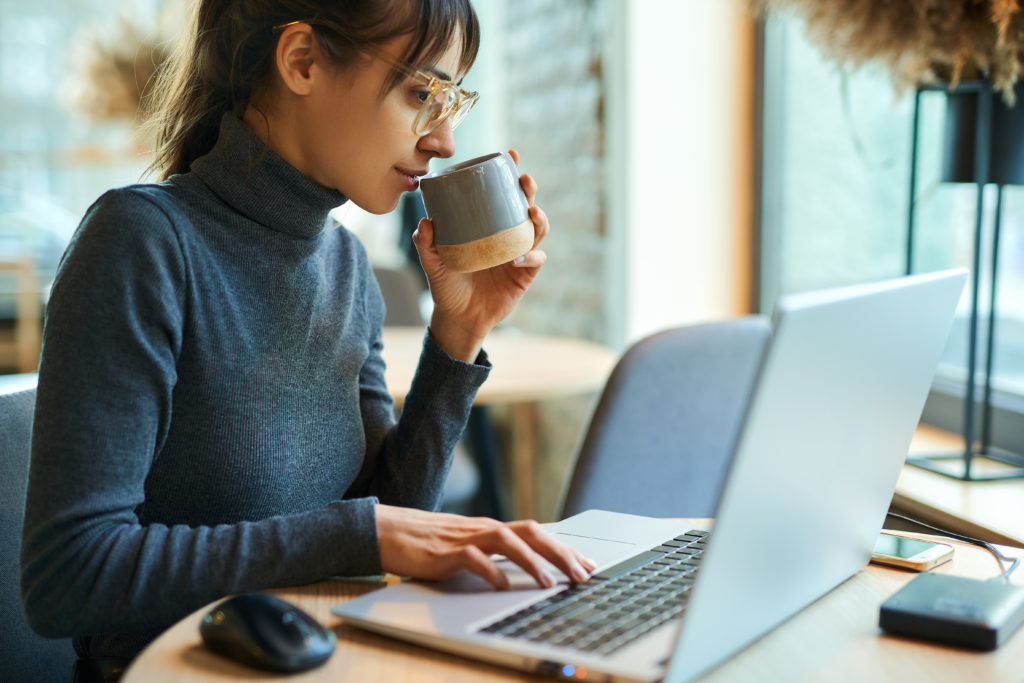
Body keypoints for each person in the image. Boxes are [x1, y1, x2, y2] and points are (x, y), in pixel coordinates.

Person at [20, 0, 594, 677]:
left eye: (453, 102)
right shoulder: (141, 243)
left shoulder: (347, 267)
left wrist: (459, 333)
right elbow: (68, 574)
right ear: (301, 60)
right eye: (421, 93)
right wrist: (357, 533)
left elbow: (390, 529)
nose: (443, 141)